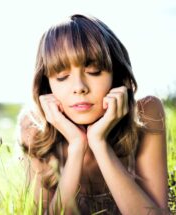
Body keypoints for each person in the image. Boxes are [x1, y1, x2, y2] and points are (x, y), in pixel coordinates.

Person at [17, 14, 168, 214]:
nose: (79, 88)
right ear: (47, 84)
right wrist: (77, 147)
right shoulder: (34, 127)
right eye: (62, 76)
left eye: (94, 71)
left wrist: (99, 143)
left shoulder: (147, 112)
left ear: (116, 74)